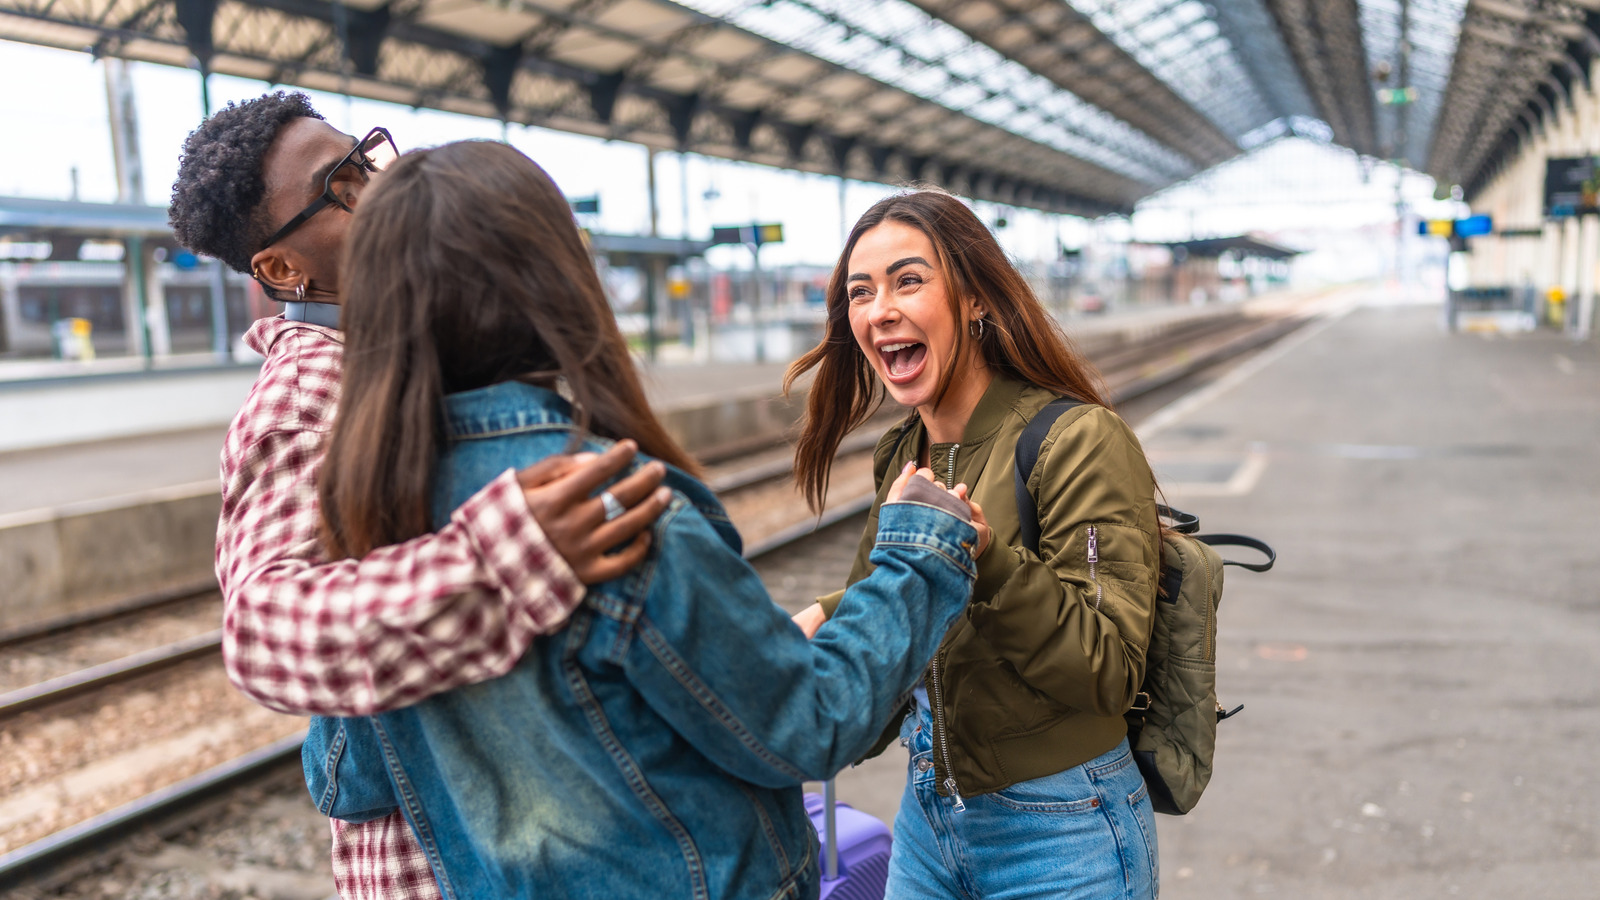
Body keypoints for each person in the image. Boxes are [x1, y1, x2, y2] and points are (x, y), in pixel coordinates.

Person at [302, 139, 985, 898]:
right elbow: (808, 725)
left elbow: (348, 779)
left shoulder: (368, 517)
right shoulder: (608, 504)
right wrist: (920, 549)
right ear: (552, 282)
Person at [168, 91, 670, 900]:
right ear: (282, 270)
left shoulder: (407, 350)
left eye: (366, 158)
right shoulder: (309, 391)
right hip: (428, 866)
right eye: (341, 186)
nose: (379, 186)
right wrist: (505, 559)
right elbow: (261, 628)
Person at [786, 189, 1162, 899]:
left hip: (1064, 826)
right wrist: (822, 636)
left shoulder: (1078, 439)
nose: (878, 310)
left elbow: (1108, 668)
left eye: (908, 280)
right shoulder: (903, 452)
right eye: (859, 293)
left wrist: (982, 560)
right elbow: (891, 633)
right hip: (930, 819)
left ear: (976, 299)